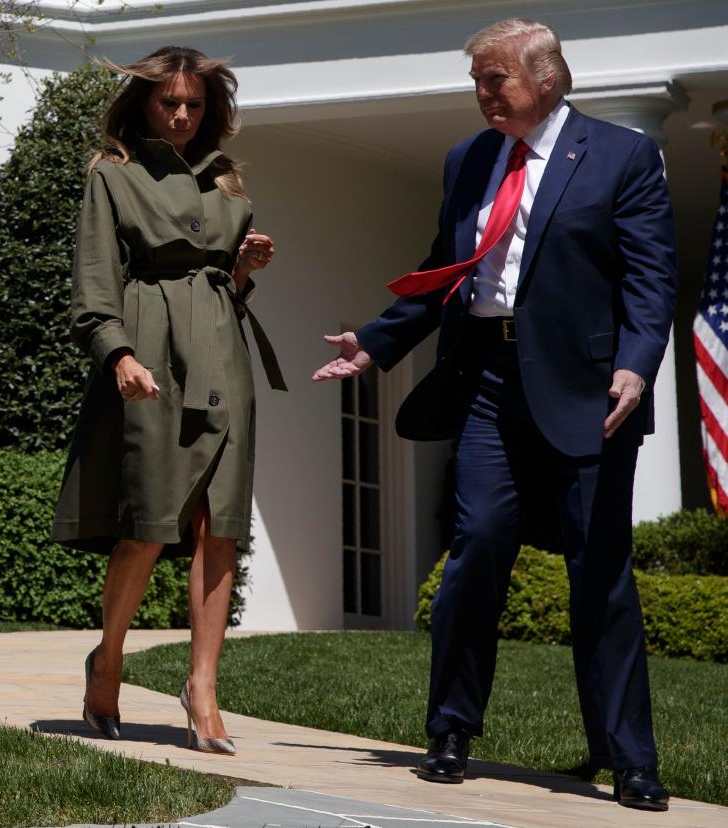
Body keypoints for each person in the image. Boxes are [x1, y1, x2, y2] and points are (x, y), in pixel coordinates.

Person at [313, 18, 676, 811]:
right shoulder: (468, 159)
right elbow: (448, 267)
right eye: (477, 80)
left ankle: (630, 757)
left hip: (591, 393)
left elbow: (652, 279)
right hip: (487, 379)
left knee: (601, 577)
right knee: (476, 548)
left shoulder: (622, 155)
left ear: (544, 80)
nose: (481, 95)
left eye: (494, 80)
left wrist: (636, 366)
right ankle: (449, 730)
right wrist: (375, 341)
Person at [51, 46, 286, 755]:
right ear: (144, 105)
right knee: (148, 525)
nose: (182, 115)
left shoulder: (227, 184)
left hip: (223, 354)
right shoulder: (113, 176)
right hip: (151, 353)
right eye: (168, 103)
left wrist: (241, 271)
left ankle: (204, 687)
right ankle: (110, 659)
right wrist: (118, 353)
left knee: (221, 530)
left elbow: (217, 284)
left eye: (193, 105)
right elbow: (95, 282)